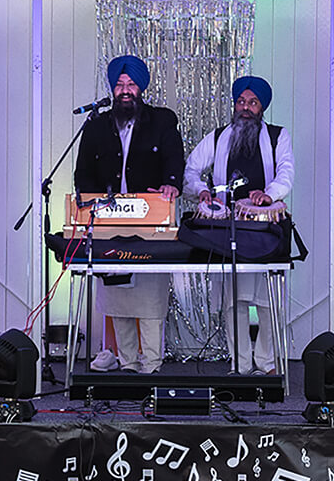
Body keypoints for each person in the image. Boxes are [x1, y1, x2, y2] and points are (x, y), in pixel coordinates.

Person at [74, 54, 183, 374]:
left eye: (131, 84)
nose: (124, 90)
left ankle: (150, 363)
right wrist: (88, 200)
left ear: (141, 89)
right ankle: (126, 360)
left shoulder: (162, 120)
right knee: (117, 295)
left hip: (150, 222)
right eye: (119, 85)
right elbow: (84, 173)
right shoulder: (96, 125)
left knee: (148, 296)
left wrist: (171, 185)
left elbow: (174, 160)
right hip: (109, 223)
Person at [184, 75, 294, 374]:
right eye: (241, 102)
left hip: (266, 228)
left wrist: (268, 194)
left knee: (269, 301)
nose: (246, 108)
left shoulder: (277, 136)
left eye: (253, 102)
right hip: (228, 229)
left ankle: (268, 363)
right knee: (236, 301)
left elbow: (286, 173)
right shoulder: (219, 136)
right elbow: (191, 169)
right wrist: (201, 191)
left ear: (262, 108)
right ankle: (241, 364)